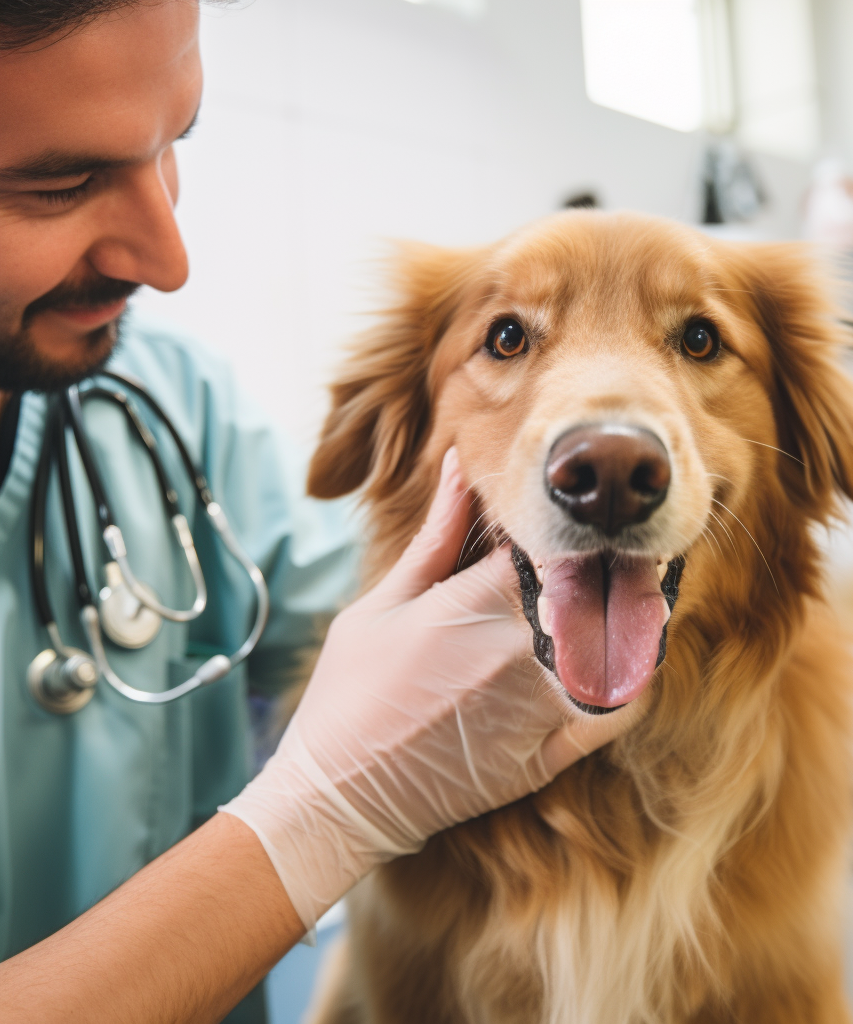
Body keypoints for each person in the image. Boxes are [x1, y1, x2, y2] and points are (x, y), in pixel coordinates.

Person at [0, 2, 632, 1021]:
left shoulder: (171, 405)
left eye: (173, 143)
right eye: (57, 185)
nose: (169, 257)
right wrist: (321, 816)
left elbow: (368, 612)